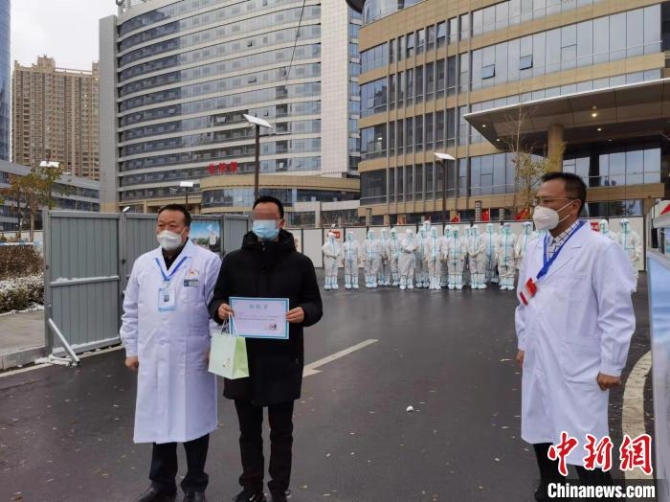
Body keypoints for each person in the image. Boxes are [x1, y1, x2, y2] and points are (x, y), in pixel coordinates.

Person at [515, 172, 635, 501]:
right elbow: (524, 301)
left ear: (573, 206)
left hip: (579, 363)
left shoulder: (600, 249)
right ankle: (550, 487)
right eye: (538, 201)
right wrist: (524, 343)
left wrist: (612, 364)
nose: (539, 208)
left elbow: (616, 312)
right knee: (541, 426)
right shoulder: (535, 247)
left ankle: (602, 491)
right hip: (540, 356)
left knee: (582, 436)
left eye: (547, 201)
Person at [208, 196, 323, 502]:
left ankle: (278, 488)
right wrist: (219, 308)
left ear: (282, 222)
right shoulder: (233, 260)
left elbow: (315, 304)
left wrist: (305, 312)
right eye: (258, 218)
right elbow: (216, 298)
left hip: (283, 359)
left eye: (269, 219)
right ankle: (252, 487)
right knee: (248, 431)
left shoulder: (300, 263)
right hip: (241, 357)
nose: (263, 224)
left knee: (281, 430)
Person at [120, 204, 221, 502]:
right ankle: (161, 485)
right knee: (159, 421)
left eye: (173, 225)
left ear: (187, 230)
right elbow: (131, 310)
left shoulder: (207, 261)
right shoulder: (144, 263)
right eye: (161, 224)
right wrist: (132, 348)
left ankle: (195, 486)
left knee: (194, 423)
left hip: (193, 356)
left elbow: (216, 308)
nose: (166, 230)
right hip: (153, 356)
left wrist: (216, 347)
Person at [618, 218, 642, 283]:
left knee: (633, 270)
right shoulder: (619, 234)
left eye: (624, 224)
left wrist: (637, 253)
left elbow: (637, 243)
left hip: (632, 255)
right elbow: (617, 244)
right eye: (622, 225)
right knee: (623, 270)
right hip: (623, 256)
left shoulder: (633, 234)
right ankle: (625, 284)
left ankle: (634, 285)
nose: (623, 226)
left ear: (627, 224)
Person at [496, 223, 517, 291]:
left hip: (510, 255)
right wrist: (496, 253)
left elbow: (516, 246)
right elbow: (497, 246)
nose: (507, 229)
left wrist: (516, 253)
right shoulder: (500, 237)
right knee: (502, 269)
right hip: (502, 255)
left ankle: (510, 284)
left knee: (511, 268)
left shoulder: (513, 236)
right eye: (505, 227)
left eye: (508, 227)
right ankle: (504, 284)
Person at [467, 225, 487, 289]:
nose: (474, 230)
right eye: (473, 229)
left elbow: (483, 246)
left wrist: (476, 252)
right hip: (471, 255)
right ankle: (474, 283)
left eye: (475, 229)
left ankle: (480, 283)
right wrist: (470, 252)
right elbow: (468, 246)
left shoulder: (481, 237)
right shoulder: (470, 238)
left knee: (480, 269)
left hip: (480, 255)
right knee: (473, 269)